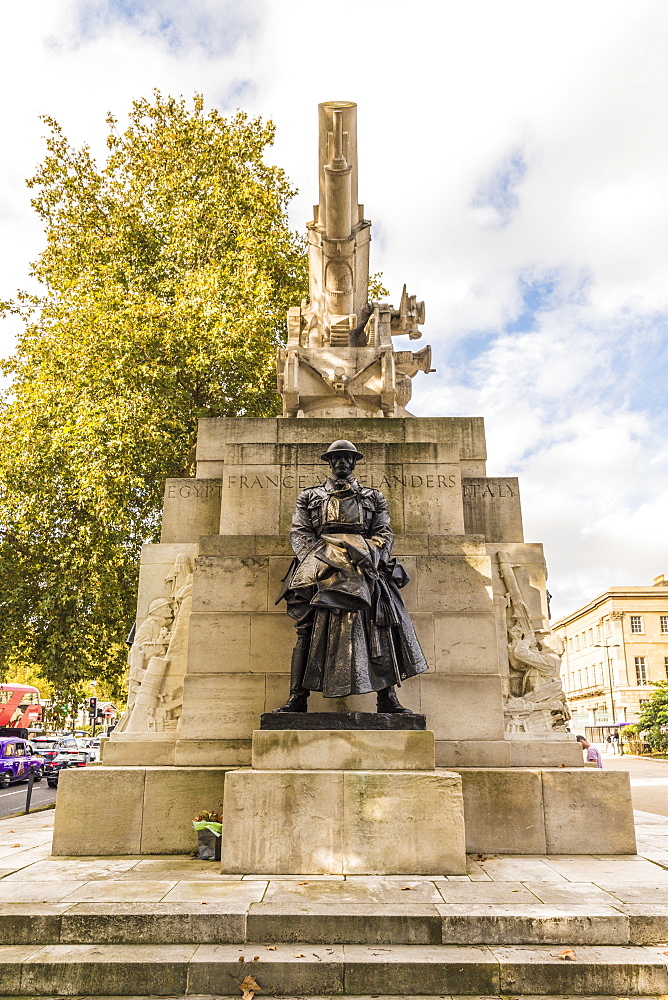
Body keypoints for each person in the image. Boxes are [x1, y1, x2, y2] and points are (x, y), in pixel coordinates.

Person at [274, 439, 428, 713]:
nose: (342, 462)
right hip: (319, 569)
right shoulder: (310, 496)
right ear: (329, 462)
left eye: (347, 457)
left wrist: (367, 555)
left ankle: (387, 698)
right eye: (337, 458)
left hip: (363, 567)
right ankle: (297, 698)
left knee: (381, 627)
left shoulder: (373, 497)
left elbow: (383, 533)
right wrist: (323, 561)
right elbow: (300, 534)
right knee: (306, 632)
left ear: (354, 462)